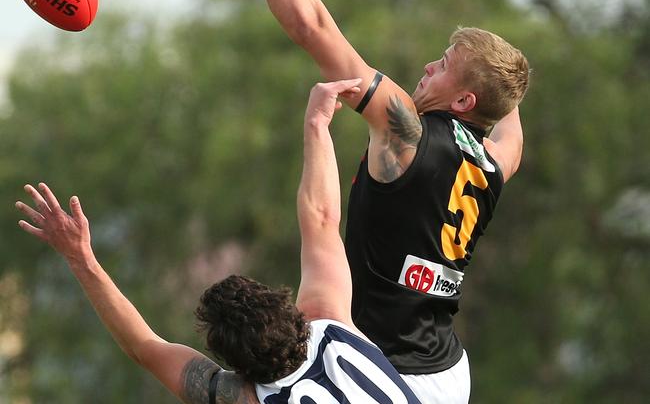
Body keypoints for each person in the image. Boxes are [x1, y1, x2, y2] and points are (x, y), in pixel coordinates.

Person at [186, 0, 531, 403]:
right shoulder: (495, 164)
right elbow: (509, 125)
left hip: (382, 371)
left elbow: (313, 29)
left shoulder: (405, 131)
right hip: (448, 372)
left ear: (464, 101)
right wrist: (500, 79)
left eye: (445, 65)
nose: (430, 66)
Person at [15, 79, 423, 404]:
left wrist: (80, 257)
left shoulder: (243, 397)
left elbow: (144, 346)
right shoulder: (330, 322)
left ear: (235, 367)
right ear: (289, 310)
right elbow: (322, 217)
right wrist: (317, 124)